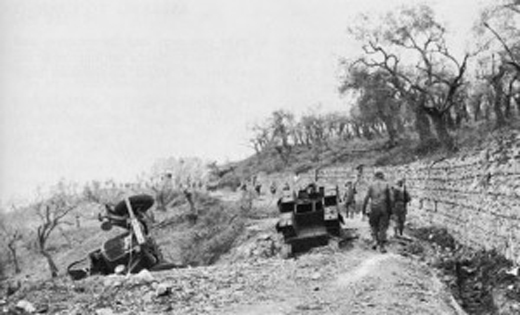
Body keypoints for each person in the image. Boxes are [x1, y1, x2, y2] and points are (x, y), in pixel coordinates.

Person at [362, 171, 392, 253]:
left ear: (375, 177)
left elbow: (366, 199)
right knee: (383, 227)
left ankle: (375, 241)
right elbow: (390, 199)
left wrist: (363, 211)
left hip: (374, 208)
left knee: (373, 225)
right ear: (382, 176)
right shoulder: (386, 185)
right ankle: (382, 246)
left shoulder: (371, 185)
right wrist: (390, 211)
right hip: (384, 208)